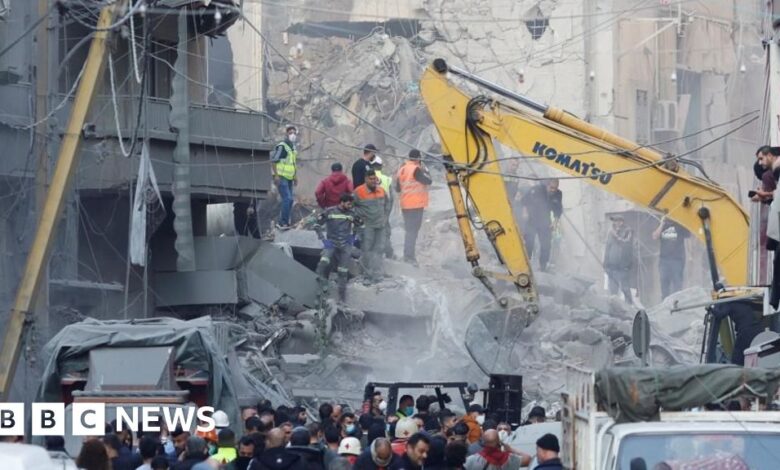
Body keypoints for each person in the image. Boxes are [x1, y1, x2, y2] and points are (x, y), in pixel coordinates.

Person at [314, 193, 361, 301]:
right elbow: (316, 225)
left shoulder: (351, 213)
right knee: (324, 261)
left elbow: (360, 225)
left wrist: (353, 237)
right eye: (348, 204)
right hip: (331, 242)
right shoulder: (329, 212)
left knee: (343, 271)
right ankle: (318, 283)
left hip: (345, 245)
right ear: (342, 202)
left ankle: (342, 298)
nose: (350, 206)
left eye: (351, 204)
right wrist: (323, 239)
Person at [394, 149, 432, 265]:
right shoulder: (416, 169)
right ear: (418, 158)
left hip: (405, 204)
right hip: (415, 204)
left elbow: (397, 188)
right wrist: (426, 170)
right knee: (413, 231)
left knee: (409, 230)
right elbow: (428, 181)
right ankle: (409, 257)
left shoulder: (402, 169)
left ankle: (408, 254)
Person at [354, 170, 391, 283]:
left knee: (380, 248)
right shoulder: (359, 192)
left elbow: (388, 203)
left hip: (380, 225)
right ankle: (367, 275)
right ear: (366, 179)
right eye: (371, 179)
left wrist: (385, 217)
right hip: (367, 226)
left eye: (375, 179)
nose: (374, 181)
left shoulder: (381, 190)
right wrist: (360, 218)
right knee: (367, 249)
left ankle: (377, 273)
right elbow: (351, 206)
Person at [519, 179, 563, 271]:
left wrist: (554, 223)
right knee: (529, 242)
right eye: (551, 188)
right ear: (547, 185)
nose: (553, 190)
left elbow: (558, 210)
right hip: (532, 219)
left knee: (546, 244)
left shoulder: (558, 194)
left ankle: (543, 266)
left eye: (555, 188)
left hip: (545, 221)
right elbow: (524, 201)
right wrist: (525, 212)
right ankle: (525, 264)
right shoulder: (536, 189)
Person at [652, 215, 690, 299]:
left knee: (677, 285)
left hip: (677, 260)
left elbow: (688, 234)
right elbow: (655, 236)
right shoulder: (662, 226)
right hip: (664, 260)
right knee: (664, 285)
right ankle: (665, 304)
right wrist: (662, 223)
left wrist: (681, 220)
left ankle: (678, 303)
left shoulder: (680, 226)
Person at [271, 125, 299, 229]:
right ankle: (283, 222)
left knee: (290, 200)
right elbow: (274, 161)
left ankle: (283, 221)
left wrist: (295, 176)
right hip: (281, 177)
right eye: (290, 133)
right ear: (286, 134)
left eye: (294, 133)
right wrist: (276, 176)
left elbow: (293, 164)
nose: (293, 135)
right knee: (287, 198)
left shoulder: (293, 148)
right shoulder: (282, 146)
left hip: (289, 178)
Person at [604, 214, 634, 303]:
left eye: (617, 221)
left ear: (621, 222)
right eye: (614, 221)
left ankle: (629, 307)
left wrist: (616, 236)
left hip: (623, 266)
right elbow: (607, 248)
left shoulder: (628, 231)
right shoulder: (610, 232)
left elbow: (626, 244)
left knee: (625, 288)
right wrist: (605, 264)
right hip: (612, 266)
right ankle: (613, 308)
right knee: (613, 289)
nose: (615, 223)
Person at [372, 156, 395, 259]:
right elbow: (391, 197)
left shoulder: (367, 177)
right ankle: (388, 252)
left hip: (371, 207)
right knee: (385, 229)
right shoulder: (387, 179)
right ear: (381, 167)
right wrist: (388, 212)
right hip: (384, 206)